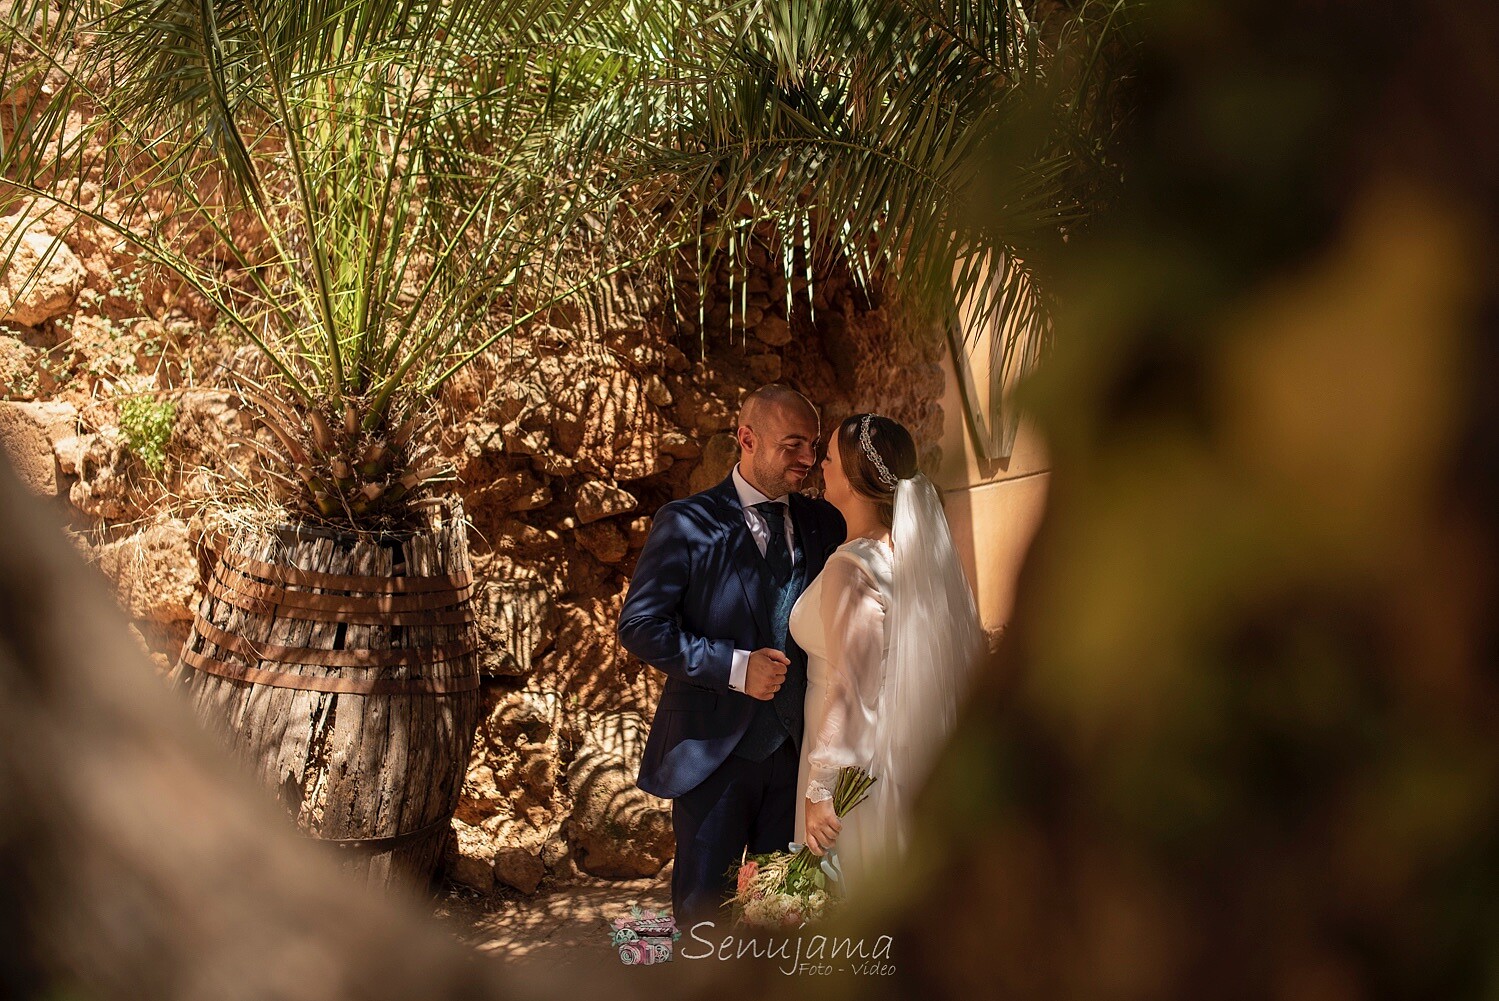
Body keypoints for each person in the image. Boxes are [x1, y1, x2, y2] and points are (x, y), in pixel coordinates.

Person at [618, 385, 846, 928]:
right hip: (712, 755)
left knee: (784, 917)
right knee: (703, 919)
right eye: (793, 445)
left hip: (796, 756)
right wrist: (736, 667)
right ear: (747, 438)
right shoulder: (686, 522)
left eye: (812, 447)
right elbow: (640, 626)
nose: (807, 461)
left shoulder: (824, 524)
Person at [791, 413, 984, 902]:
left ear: (855, 481)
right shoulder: (908, 555)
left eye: (829, 457)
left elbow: (853, 690)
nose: (821, 465)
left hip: (853, 765)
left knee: (850, 895)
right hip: (891, 747)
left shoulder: (852, 567)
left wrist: (820, 790)